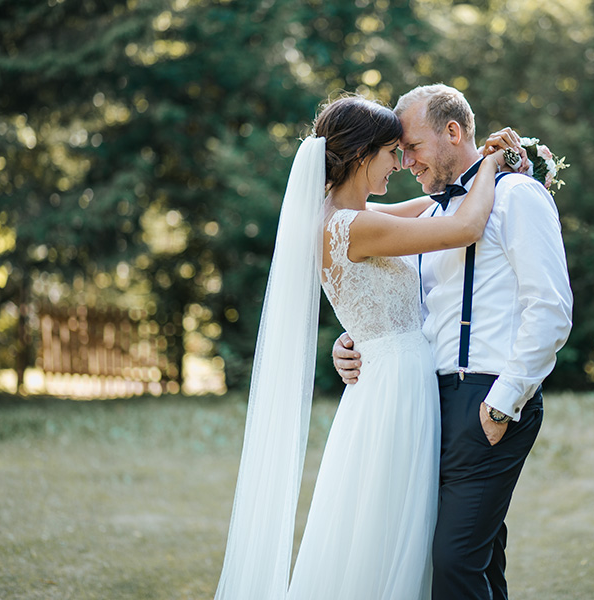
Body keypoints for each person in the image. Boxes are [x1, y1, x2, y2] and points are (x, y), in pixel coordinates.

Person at [213, 95, 511, 600]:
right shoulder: (353, 226)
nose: (400, 163)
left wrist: (471, 171)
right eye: (392, 152)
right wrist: (492, 166)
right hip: (397, 388)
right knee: (398, 527)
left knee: (386, 526)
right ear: (360, 154)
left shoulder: (345, 215)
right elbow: (462, 227)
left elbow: (431, 206)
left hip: (383, 378)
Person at [333, 84, 573, 600]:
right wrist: (354, 339)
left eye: (412, 147)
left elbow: (550, 308)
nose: (405, 161)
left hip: (487, 399)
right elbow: (412, 310)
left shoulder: (516, 195)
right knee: (478, 560)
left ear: (453, 131)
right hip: (429, 404)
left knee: (454, 562)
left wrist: (504, 403)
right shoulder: (433, 215)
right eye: (397, 152)